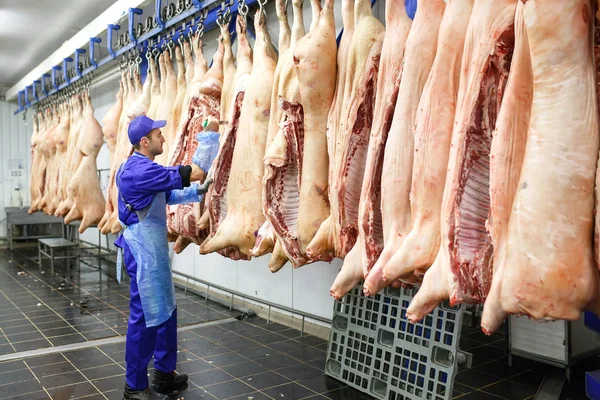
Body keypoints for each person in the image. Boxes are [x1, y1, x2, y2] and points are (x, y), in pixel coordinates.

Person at [114, 115, 215, 400]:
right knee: (145, 315)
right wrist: (210, 137)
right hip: (143, 249)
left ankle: (163, 373)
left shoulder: (144, 167)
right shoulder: (138, 170)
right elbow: (194, 171)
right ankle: (134, 386)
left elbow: (165, 197)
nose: (164, 138)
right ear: (145, 141)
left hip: (153, 247)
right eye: (159, 134)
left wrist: (198, 192)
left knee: (166, 310)